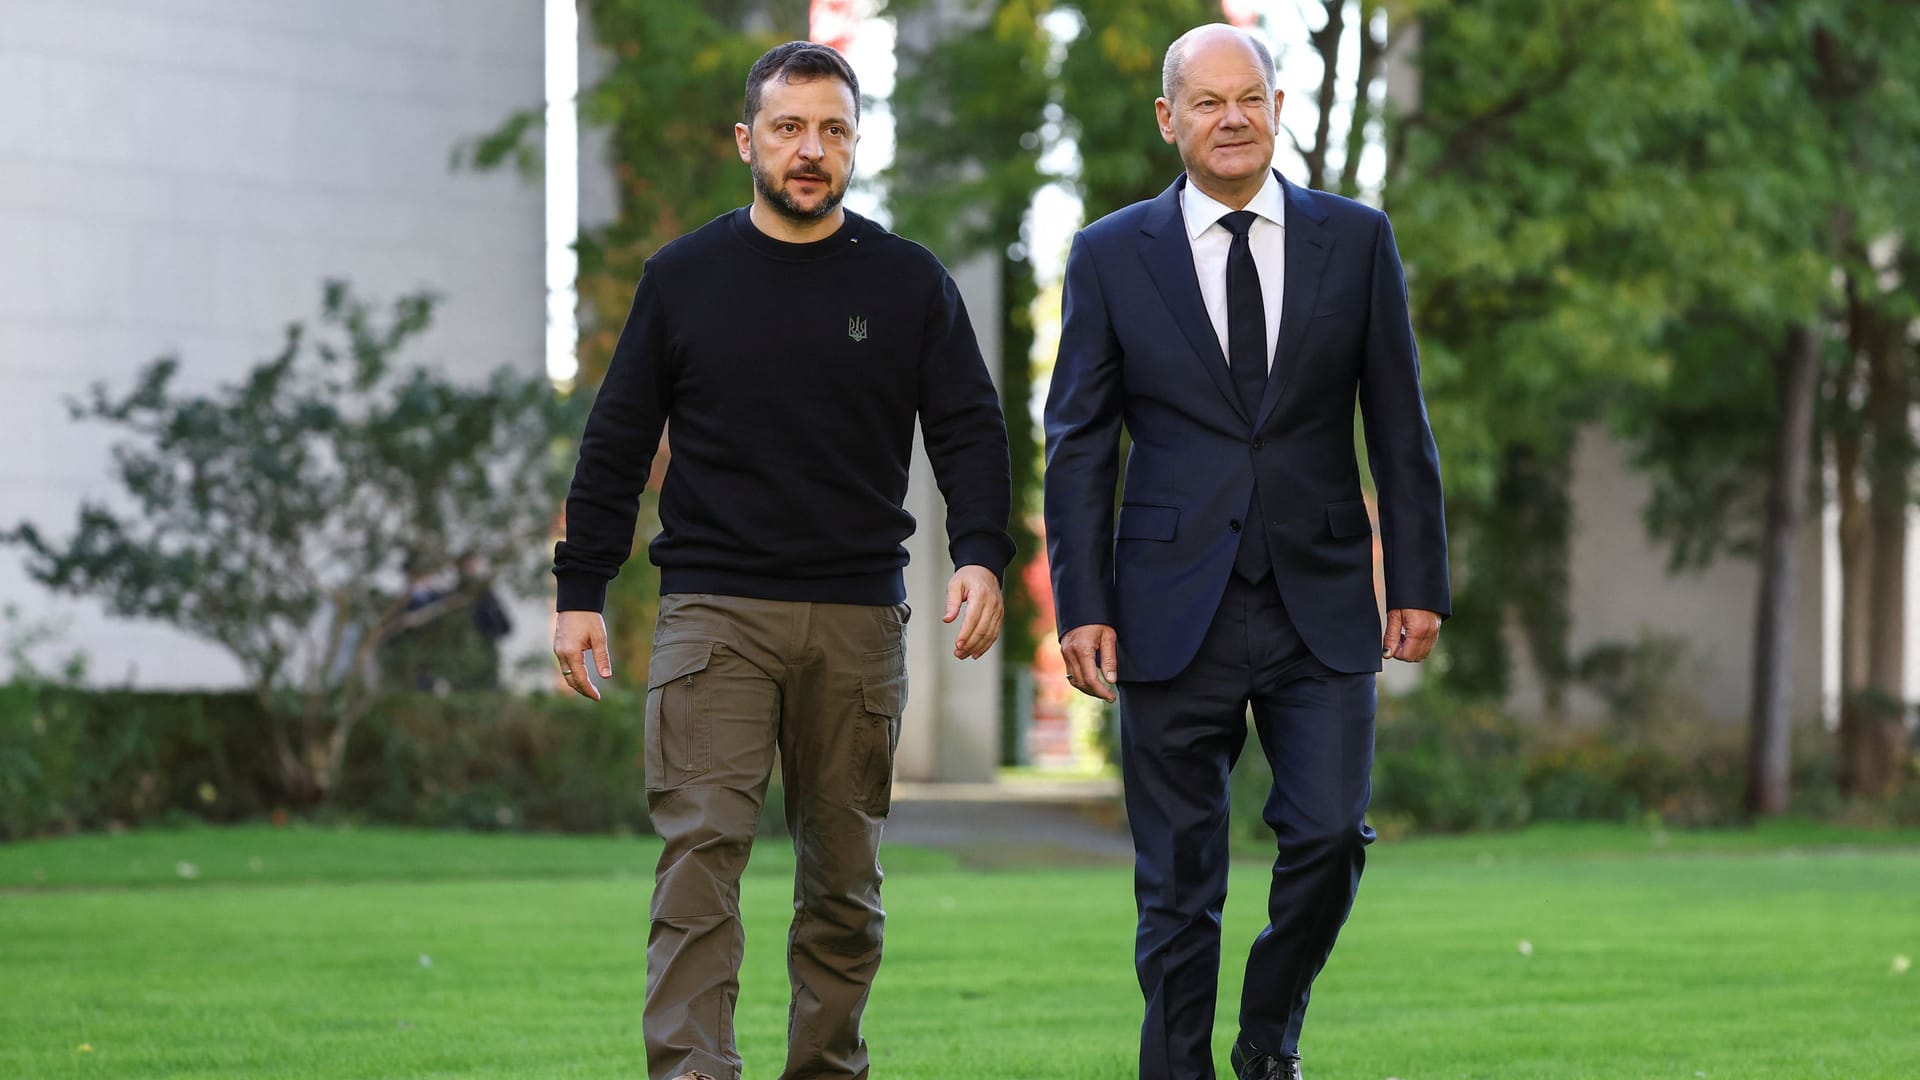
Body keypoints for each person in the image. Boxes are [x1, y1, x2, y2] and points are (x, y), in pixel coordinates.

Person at [550, 41, 1014, 1080]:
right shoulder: (683, 279)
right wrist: (581, 588)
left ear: (856, 144)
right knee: (698, 874)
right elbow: (616, 442)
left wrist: (982, 554)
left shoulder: (907, 282)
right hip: (713, 616)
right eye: (791, 128)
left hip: (858, 622)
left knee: (844, 889)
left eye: (834, 130)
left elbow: (971, 433)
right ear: (746, 140)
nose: (812, 150)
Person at [1042, 23, 1450, 1080]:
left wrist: (1418, 579)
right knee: (1177, 883)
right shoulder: (1107, 255)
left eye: (1251, 97)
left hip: (1321, 601)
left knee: (1328, 838)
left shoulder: (1355, 241)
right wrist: (1080, 602)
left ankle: (1267, 1036)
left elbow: (1399, 425)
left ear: (1278, 110)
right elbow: (1080, 443)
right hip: (1170, 606)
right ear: (1170, 120)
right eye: (1208, 101)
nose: (1233, 118)